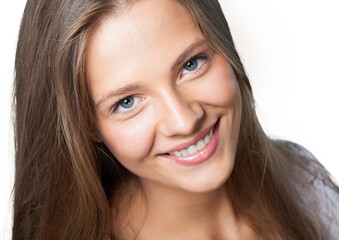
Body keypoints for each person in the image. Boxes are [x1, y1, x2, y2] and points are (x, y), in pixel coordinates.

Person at [12, 0, 338, 239]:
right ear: (87, 126)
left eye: (192, 64)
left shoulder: (305, 185)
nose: (183, 121)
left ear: (223, 47)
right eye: (127, 102)